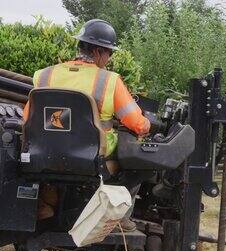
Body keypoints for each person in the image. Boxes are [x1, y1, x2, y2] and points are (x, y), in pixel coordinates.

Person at [23, 19, 151, 231]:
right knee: (142, 163)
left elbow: (26, 119)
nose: (109, 59)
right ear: (99, 51)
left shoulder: (45, 75)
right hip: (93, 158)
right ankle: (119, 216)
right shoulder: (109, 81)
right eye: (109, 53)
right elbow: (137, 124)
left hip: (44, 153)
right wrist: (147, 124)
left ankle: (47, 203)